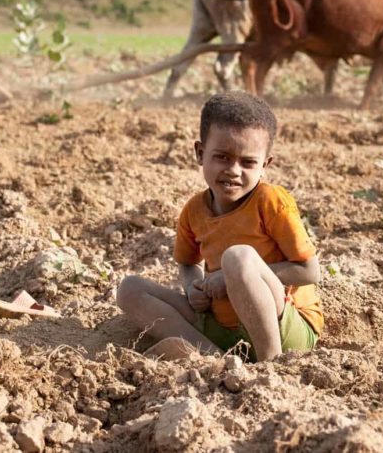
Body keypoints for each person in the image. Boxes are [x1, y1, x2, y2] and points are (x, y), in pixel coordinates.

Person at [117, 91, 322, 362]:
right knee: (129, 289)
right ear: (201, 153)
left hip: (283, 328)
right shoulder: (194, 210)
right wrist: (193, 288)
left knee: (238, 257)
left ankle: (270, 364)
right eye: (222, 157)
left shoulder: (270, 201)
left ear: (265, 165)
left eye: (248, 162)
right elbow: (188, 264)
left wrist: (230, 276)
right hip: (220, 325)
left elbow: (309, 271)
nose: (234, 170)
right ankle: (212, 358)